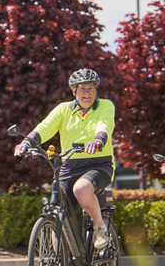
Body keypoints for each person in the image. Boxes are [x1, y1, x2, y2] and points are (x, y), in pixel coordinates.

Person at [14, 68, 115, 251]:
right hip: (69, 167)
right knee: (56, 212)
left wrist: (98, 140)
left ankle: (100, 228)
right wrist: (27, 142)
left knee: (82, 188)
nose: (86, 92)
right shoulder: (63, 109)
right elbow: (46, 127)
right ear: (74, 92)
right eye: (82, 88)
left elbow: (105, 125)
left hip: (99, 165)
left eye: (90, 88)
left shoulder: (105, 106)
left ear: (96, 91)